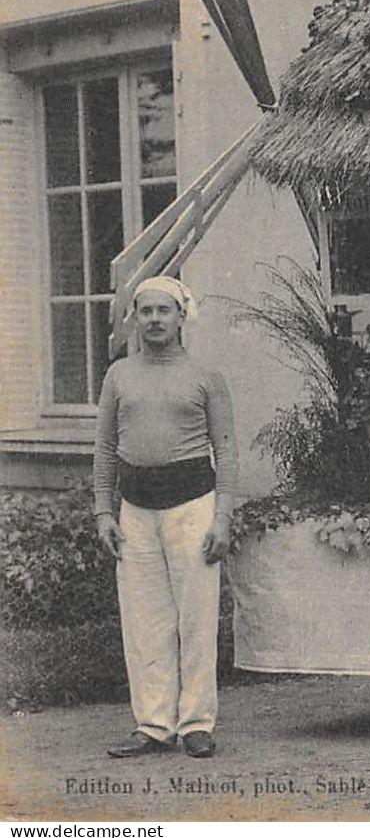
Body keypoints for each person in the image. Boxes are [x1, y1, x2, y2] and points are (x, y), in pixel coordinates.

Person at [93, 276, 238, 759]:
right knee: (144, 621)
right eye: (147, 311)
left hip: (192, 506)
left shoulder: (205, 375)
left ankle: (196, 723)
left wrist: (223, 517)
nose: (155, 320)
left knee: (196, 619)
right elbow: (105, 449)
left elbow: (227, 449)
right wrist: (102, 511)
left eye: (164, 311)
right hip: (135, 511)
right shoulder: (118, 376)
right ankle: (153, 724)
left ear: (181, 316)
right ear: (136, 318)